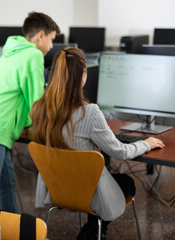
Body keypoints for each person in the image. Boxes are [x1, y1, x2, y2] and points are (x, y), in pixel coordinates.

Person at [30, 47, 165, 239]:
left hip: (58, 188)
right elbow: (120, 152)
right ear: (83, 74)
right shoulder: (89, 112)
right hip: (85, 190)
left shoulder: (40, 109)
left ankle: (92, 229)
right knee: (127, 182)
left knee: (96, 174)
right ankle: (93, 230)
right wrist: (148, 143)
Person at [0, 11, 60, 213]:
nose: (51, 47)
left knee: (7, 184)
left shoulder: (13, 50)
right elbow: (36, 101)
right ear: (41, 35)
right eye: (51, 40)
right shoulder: (33, 54)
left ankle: (14, 229)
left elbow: (19, 94)